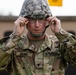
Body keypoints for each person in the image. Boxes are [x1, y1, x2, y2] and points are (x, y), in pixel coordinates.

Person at [0, 0, 76, 75]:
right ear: (24, 21)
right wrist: (15, 36)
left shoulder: (60, 44)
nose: (37, 25)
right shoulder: (13, 46)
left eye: (40, 19)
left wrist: (61, 33)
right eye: (32, 19)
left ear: (47, 20)